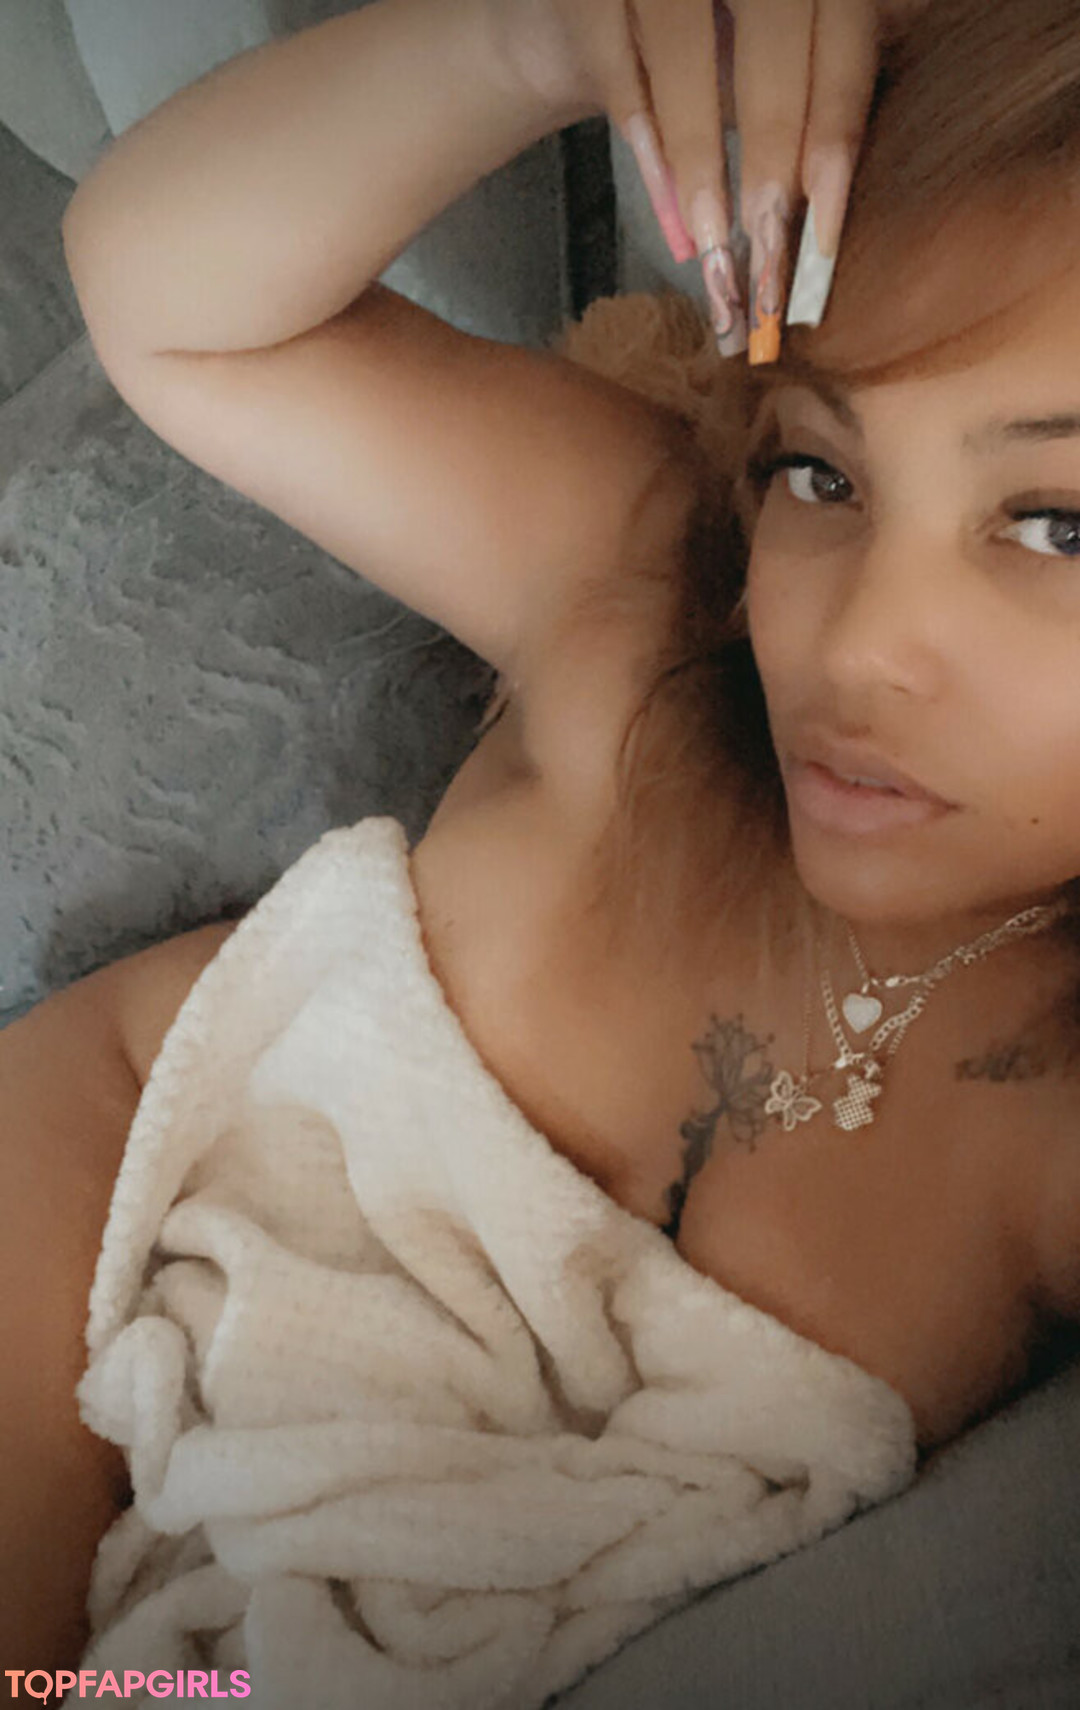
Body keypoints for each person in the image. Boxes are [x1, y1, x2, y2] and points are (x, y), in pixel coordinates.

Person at [5, 0, 1080, 1685]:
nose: (859, 644)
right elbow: (176, 310)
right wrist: (536, 44)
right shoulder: (652, 596)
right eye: (822, 471)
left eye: (1056, 523)